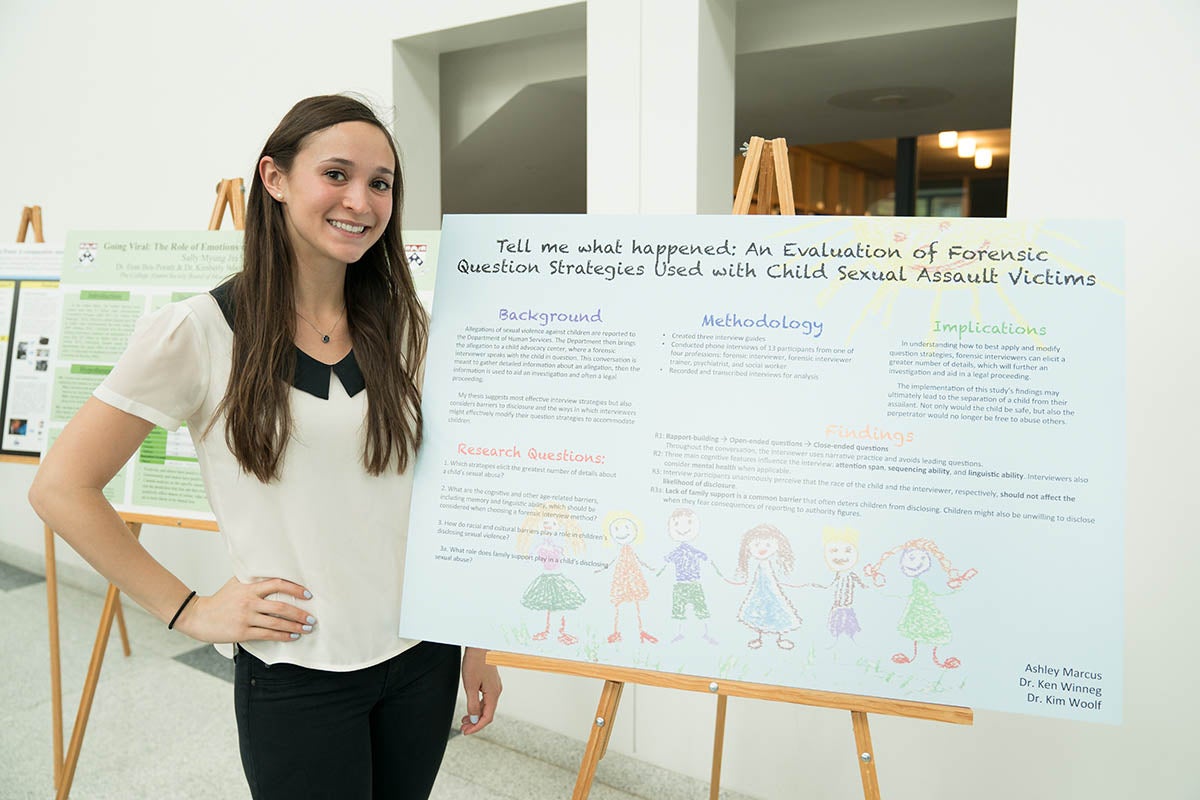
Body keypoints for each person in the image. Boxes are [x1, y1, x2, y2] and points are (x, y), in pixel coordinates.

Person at [28, 94, 501, 799]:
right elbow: (61, 488)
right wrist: (187, 609)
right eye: (336, 174)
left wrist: (477, 642)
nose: (361, 201)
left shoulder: (407, 327)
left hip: (423, 660)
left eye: (380, 182)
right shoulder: (196, 332)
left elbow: (446, 493)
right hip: (296, 672)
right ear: (274, 178)